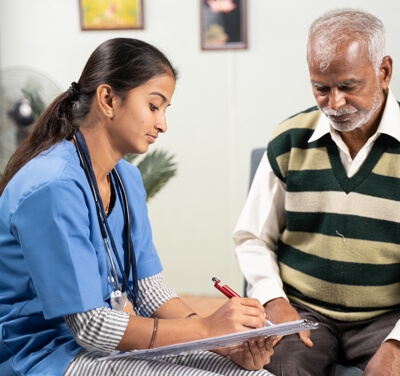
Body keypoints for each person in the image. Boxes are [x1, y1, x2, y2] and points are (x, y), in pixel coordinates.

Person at [0, 38, 275, 376]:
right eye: (154, 106)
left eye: (165, 110)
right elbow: (90, 327)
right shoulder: (53, 188)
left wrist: (224, 343)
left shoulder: (126, 179)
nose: (162, 124)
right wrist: (206, 330)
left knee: (254, 374)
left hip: (107, 344)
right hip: (44, 354)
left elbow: (149, 290)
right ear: (108, 100)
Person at [233, 8, 400, 376]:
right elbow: (253, 237)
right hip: (303, 310)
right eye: (321, 88)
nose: (334, 103)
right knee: (282, 369)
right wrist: (273, 299)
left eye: (348, 86)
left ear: (384, 72)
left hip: (387, 317)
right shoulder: (289, 140)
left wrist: (396, 344)